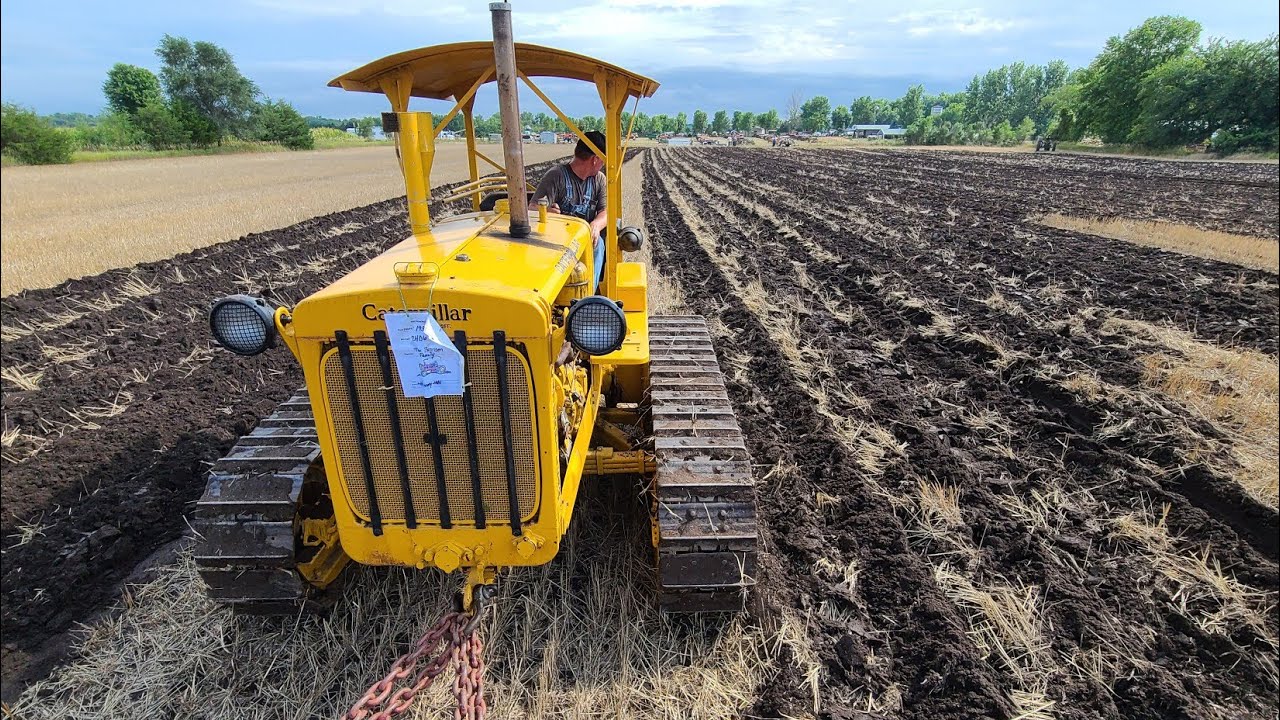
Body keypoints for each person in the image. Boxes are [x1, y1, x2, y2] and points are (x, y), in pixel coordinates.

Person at [532, 130, 608, 291]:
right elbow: (532, 208)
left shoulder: (599, 180)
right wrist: (547, 212)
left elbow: (606, 211)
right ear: (595, 159)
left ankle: (587, 295)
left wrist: (596, 225)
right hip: (557, 238)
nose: (603, 165)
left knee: (598, 244)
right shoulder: (556, 176)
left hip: (585, 240)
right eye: (603, 161)